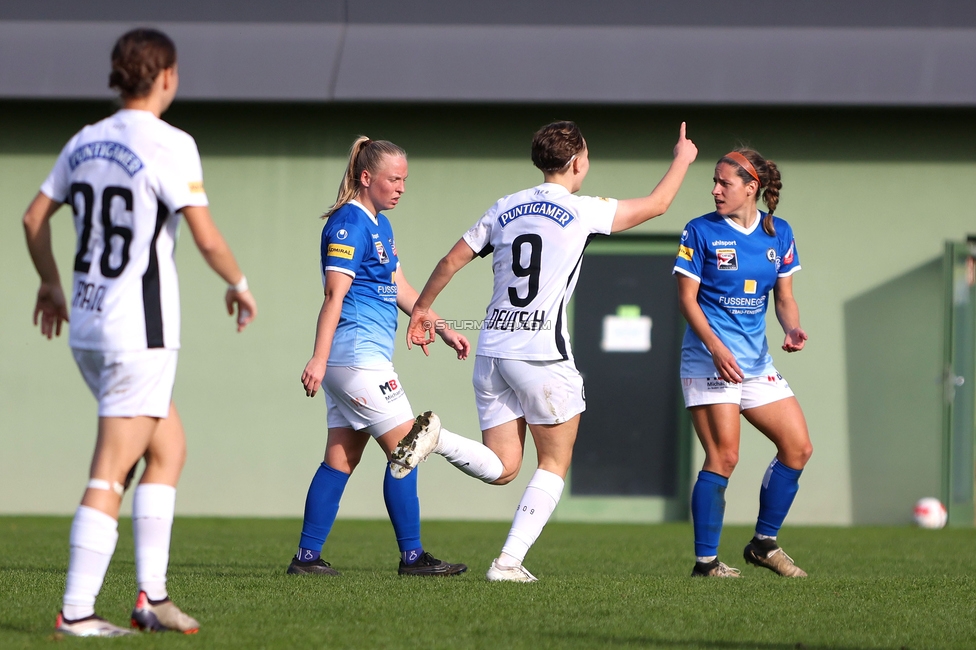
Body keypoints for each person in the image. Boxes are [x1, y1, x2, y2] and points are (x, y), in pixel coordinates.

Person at [22, 28, 258, 636]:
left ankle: (150, 597)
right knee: (109, 470)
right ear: (168, 77)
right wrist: (238, 281)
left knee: (168, 448)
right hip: (139, 333)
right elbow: (204, 235)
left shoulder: (84, 140)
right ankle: (75, 611)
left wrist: (49, 283)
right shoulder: (171, 143)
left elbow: (32, 218)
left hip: (92, 325)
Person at [405, 121, 698, 582]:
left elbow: (450, 261)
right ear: (578, 162)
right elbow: (659, 205)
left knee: (504, 467)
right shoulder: (582, 210)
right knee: (554, 463)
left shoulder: (504, 207)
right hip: (541, 354)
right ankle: (507, 562)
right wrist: (683, 157)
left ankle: (438, 439)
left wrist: (422, 308)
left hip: (492, 351)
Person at [287, 136, 470, 578]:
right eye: (394, 178)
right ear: (367, 178)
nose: (402, 187)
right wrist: (317, 357)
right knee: (410, 448)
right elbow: (334, 295)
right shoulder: (349, 224)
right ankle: (413, 557)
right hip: (357, 361)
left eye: (406, 179)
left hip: (353, 363)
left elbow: (402, 291)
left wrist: (441, 327)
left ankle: (306, 559)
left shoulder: (380, 225)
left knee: (340, 459)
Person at [672, 149, 813, 578]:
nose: (715, 190)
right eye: (714, 182)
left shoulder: (780, 233)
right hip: (708, 358)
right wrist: (715, 347)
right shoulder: (699, 230)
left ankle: (764, 544)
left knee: (798, 448)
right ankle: (706, 563)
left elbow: (784, 299)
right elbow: (686, 300)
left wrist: (792, 328)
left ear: (751, 188)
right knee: (724, 456)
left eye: (724, 183)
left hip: (755, 361)